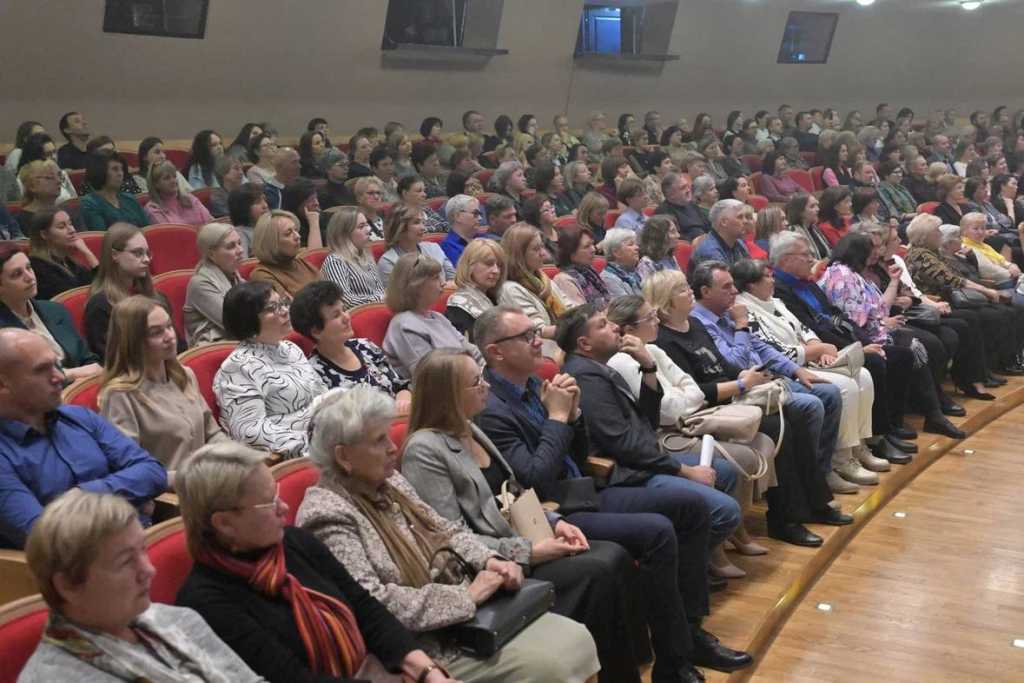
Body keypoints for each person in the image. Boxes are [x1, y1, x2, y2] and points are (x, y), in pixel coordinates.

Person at [293, 388, 600, 682]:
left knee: (577, 639)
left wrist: (490, 559)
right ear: (344, 456)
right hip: (422, 651)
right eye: (378, 441)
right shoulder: (327, 515)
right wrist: (465, 596)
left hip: (465, 618)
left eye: (389, 435)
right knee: (556, 663)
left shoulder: (389, 481)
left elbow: (445, 530)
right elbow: (372, 605)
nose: (392, 447)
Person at [401, 349, 642, 682]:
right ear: (448, 394)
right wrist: (529, 552)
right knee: (600, 568)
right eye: (475, 382)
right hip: (490, 567)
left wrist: (557, 523)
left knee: (613, 557)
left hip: (523, 537)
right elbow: (450, 538)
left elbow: (513, 494)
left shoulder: (470, 427)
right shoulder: (424, 450)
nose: (485, 386)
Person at [175, 443, 456, 683]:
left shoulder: (294, 542)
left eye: (277, 495)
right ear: (224, 523)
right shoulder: (204, 603)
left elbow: (367, 610)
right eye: (268, 503)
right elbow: (292, 678)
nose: (284, 507)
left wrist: (427, 671)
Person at [556, 303, 745, 550]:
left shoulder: (600, 367)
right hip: (623, 474)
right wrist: (683, 471)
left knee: (726, 472)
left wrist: (648, 366)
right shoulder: (586, 378)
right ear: (585, 345)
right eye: (603, 325)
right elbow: (623, 443)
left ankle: (706, 559)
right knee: (726, 511)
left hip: (641, 458)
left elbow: (648, 420)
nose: (615, 326)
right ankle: (684, 567)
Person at [19, 489, 261, 681]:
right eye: (125, 562)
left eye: (142, 551)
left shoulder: (179, 620)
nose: (149, 570)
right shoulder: (52, 676)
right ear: (68, 585)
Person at [0, 328, 166, 548]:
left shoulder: (80, 417)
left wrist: (79, 496)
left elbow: (153, 472)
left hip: (143, 541)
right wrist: (129, 498)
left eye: (56, 365)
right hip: (83, 570)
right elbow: (44, 536)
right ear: (3, 384)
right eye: (42, 370)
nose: (59, 377)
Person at [731, 259, 886, 486]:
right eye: (767, 276)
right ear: (751, 285)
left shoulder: (775, 301)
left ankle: (857, 446)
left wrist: (818, 347)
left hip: (808, 358)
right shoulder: (745, 309)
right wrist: (815, 351)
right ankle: (839, 459)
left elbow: (804, 328)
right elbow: (773, 350)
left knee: (863, 375)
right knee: (845, 387)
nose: (773, 279)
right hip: (784, 369)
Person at [821, 231, 967, 438]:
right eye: (870, 250)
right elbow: (854, 318)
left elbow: (879, 307)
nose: (875, 254)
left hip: (874, 329)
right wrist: (883, 322)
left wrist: (893, 281)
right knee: (913, 347)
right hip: (857, 338)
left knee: (918, 345)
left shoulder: (855, 274)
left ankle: (930, 413)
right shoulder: (841, 275)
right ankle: (925, 416)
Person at [100, 296, 227, 477]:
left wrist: (239, 457)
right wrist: (191, 477)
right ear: (133, 341)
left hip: (206, 481)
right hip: (169, 495)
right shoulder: (120, 396)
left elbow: (212, 434)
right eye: (156, 332)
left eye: (169, 326)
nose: (170, 336)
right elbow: (131, 471)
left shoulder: (184, 375)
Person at [214, 281, 327, 458]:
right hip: (296, 453)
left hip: (325, 434)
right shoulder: (238, 367)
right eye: (271, 308)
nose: (284, 311)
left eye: (282, 303)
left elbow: (322, 393)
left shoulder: (290, 349)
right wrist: (313, 442)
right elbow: (251, 431)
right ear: (248, 320)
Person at [0, 242, 100, 382]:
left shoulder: (55, 310)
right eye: (17, 274)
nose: (29, 277)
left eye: (29, 268)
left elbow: (88, 359)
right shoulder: (4, 334)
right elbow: (23, 383)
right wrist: (69, 375)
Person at [383, 253, 482, 381]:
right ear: (415, 286)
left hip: (466, 380)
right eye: (435, 278)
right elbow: (431, 375)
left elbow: (470, 349)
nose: (443, 283)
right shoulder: (404, 325)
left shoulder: (438, 317)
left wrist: (488, 364)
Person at [84, 224, 166, 360]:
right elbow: (112, 358)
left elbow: (178, 345)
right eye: (138, 253)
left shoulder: (156, 296)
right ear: (115, 255)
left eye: (147, 253)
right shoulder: (100, 305)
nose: (146, 259)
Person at [498, 224, 569, 359]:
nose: (544, 253)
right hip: (545, 353)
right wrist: (576, 327)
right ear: (518, 254)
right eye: (536, 249)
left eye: (542, 246)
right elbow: (536, 330)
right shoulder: (510, 289)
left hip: (562, 344)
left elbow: (570, 307)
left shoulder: (543, 278)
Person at [184, 222, 247, 345]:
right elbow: (235, 323)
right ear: (212, 254)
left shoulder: (234, 275)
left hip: (236, 341)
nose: (241, 250)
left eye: (239, 243)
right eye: (231, 246)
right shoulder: (200, 284)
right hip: (213, 348)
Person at [320, 206, 386, 308]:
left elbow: (379, 290)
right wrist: (381, 299)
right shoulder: (335, 261)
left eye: (367, 224)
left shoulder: (365, 256)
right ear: (344, 234)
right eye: (361, 226)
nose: (369, 229)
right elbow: (345, 300)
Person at [377, 204, 455, 287]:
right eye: (416, 222)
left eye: (423, 222)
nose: (423, 228)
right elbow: (396, 296)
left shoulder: (434, 248)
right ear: (399, 227)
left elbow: (454, 279)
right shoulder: (388, 261)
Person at [25, 209, 96, 300]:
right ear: (44, 234)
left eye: (70, 224)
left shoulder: (69, 262)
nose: (72, 230)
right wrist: (89, 255)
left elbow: (100, 288)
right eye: (62, 227)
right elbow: (72, 298)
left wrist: (88, 253)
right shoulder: (37, 267)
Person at [248, 210, 320, 298]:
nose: (297, 236)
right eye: (288, 233)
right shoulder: (262, 275)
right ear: (271, 242)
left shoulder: (302, 263)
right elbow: (286, 308)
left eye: (296, 230)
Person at [445, 239, 505, 339]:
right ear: (470, 266)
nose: (496, 271)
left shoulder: (496, 297)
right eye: (489, 264)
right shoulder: (458, 307)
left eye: (499, 265)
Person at [80, 151, 150, 230]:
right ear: (100, 172)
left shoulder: (130, 199)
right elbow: (101, 238)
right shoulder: (90, 203)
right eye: (115, 169)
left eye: (122, 169)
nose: (120, 173)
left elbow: (148, 229)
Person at [144, 160, 215, 226]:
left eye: (174, 176)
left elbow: (211, 222)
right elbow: (170, 235)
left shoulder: (190, 198)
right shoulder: (153, 209)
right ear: (156, 184)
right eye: (167, 178)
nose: (173, 181)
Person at [553, 228, 610, 308]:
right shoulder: (564, 280)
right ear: (571, 253)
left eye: (592, 244)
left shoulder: (589, 271)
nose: (593, 249)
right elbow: (583, 315)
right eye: (587, 246)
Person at [690, 199, 753, 271]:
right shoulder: (709, 252)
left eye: (746, 217)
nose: (746, 221)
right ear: (724, 222)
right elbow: (726, 281)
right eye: (740, 217)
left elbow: (750, 273)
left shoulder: (739, 242)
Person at [655, 173, 707, 242]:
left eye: (687, 186)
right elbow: (675, 238)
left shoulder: (691, 203)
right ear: (671, 195)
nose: (688, 190)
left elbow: (707, 223)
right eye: (683, 188)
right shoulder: (663, 212)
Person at [227, 184, 269, 257]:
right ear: (243, 208)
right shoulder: (239, 234)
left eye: (264, 200)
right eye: (257, 202)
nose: (265, 205)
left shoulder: (270, 227)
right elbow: (243, 263)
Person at [636, 215, 682, 281]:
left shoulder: (670, 257)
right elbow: (648, 290)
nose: (678, 235)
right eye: (672, 232)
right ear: (659, 236)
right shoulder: (646, 264)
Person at [600, 228, 643, 296]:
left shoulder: (635, 272)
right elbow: (628, 306)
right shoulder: (609, 279)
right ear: (616, 252)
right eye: (631, 244)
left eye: (636, 244)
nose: (637, 247)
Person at [441, 194, 481, 266]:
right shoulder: (448, 247)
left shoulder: (484, 238)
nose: (480, 218)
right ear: (457, 216)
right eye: (475, 213)